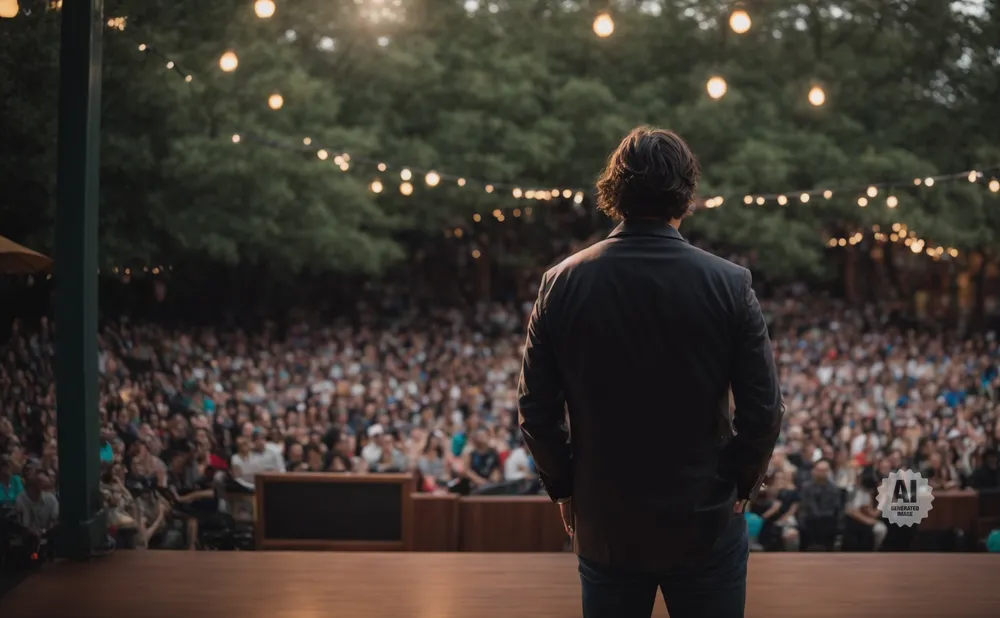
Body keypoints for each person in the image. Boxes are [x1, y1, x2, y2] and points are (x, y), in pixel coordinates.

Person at [516, 127, 783, 618]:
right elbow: (763, 412)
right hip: (706, 521)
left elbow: (535, 409)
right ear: (686, 192)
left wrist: (565, 488)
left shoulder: (560, 283)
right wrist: (741, 487)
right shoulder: (730, 284)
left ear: (615, 191)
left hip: (606, 522)